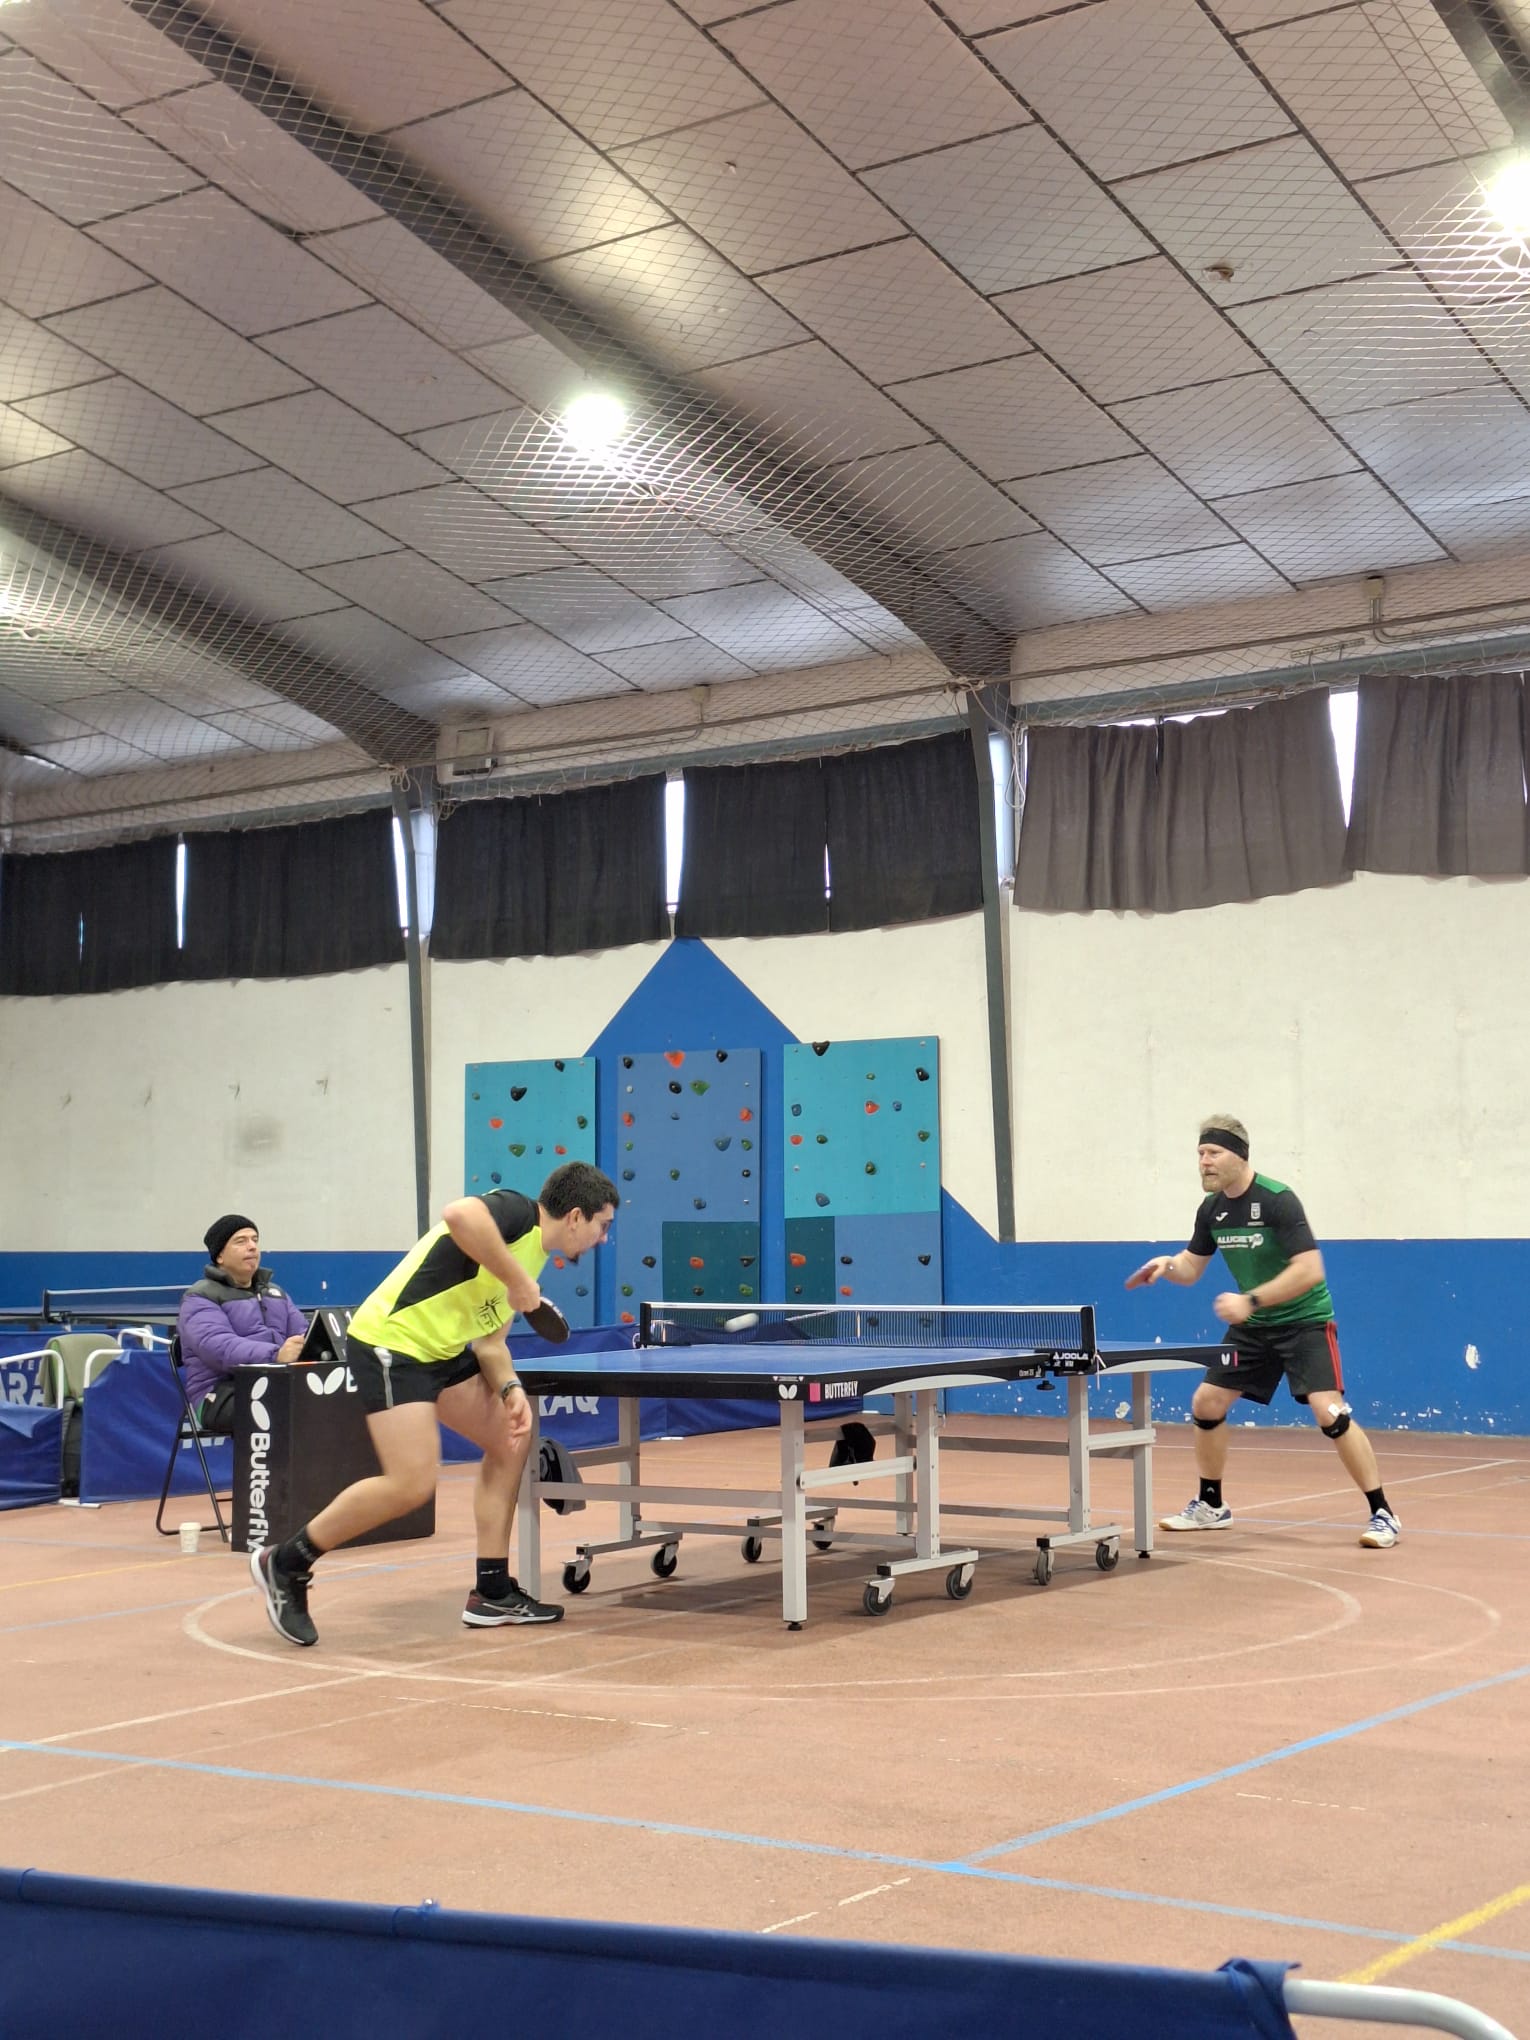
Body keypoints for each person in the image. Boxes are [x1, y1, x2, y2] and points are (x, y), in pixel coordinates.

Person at [250, 1160, 619, 1648]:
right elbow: (459, 1214)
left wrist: (510, 1391)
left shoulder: (534, 1260)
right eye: (602, 1225)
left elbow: (490, 1343)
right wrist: (516, 1281)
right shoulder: (516, 1213)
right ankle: (286, 1562)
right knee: (411, 1484)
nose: (603, 1239)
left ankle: (492, 1591)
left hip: (441, 1353)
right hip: (393, 1343)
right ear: (575, 1216)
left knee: (511, 1438)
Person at [1126, 1116, 1400, 1550]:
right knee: (1207, 1401)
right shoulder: (1212, 1209)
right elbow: (1192, 1267)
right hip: (1254, 1328)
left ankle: (1383, 1512)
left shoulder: (1277, 1201)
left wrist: (1250, 1300)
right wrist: (1168, 1265)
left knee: (1329, 1412)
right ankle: (1211, 1505)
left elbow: (1310, 1270)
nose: (1204, 1161)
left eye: (1213, 1153)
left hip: (1304, 1321)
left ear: (1239, 1155)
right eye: (1200, 1153)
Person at [178, 1215, 308, 1433]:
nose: (252, 1247)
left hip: (278, 1382)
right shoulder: (199, 1298)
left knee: (335, 1397)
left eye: (255, 1240)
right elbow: (219, 1347)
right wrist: (275, 1355)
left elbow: (303, 1333)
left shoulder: (275, 1293)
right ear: (220, 1255)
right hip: (219, 1394)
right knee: (298, 1405)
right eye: (241, 1241)